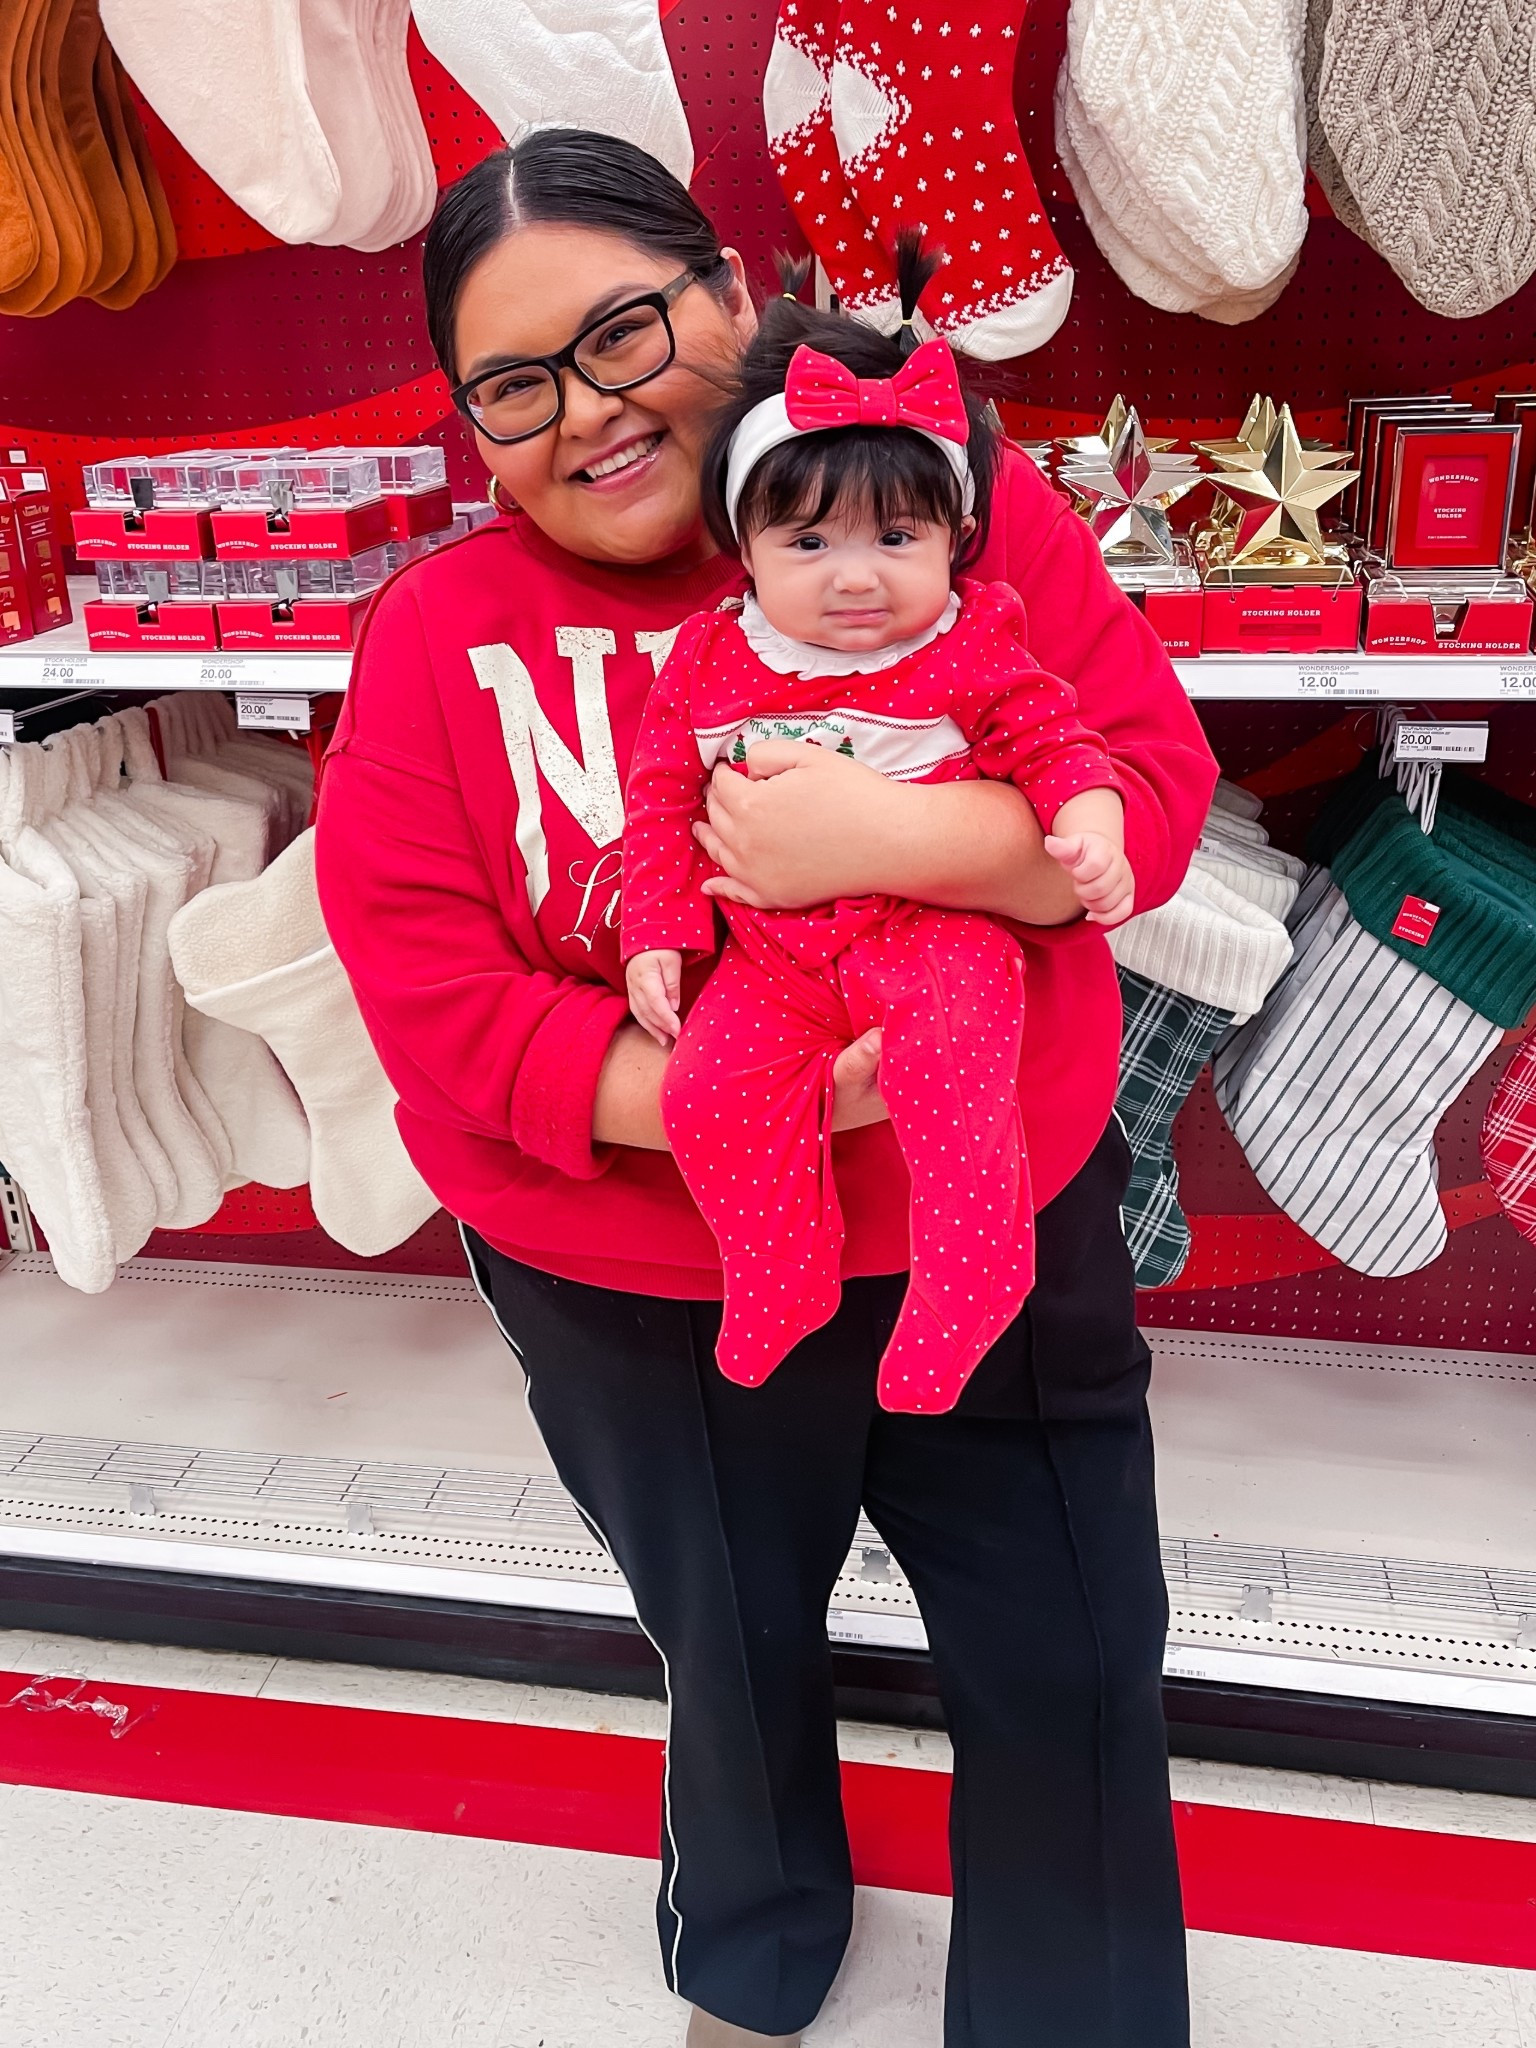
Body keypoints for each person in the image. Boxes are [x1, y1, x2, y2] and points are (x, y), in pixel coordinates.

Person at [316, 127, 1218, 2048]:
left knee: (1068, 1647)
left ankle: (1076, 2011)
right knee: (725, 1648)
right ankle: (755, 1950)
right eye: (515, 385)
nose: (590, 413)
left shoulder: (931, 501)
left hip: (993, 1209)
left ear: (727, 291)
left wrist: (884, 837)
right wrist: (748, 1102)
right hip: (642, 1280)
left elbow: (1140, 781)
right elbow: (433, 991)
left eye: (624, 330)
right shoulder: (434, 636)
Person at [622, 249, 1132, 1410]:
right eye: (809, 544)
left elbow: (1057, 740)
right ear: (741, 545)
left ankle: (973, 1276)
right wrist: (655, 927)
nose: (856, 579)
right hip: (772, 952)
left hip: (935, 934)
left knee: (956, 1086)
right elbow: (658, 796)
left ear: (954, 538)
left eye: (895, 540)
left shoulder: (968, 638)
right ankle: (777, 1267)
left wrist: (1090, 822)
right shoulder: (711, 655)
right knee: (705, 1094)